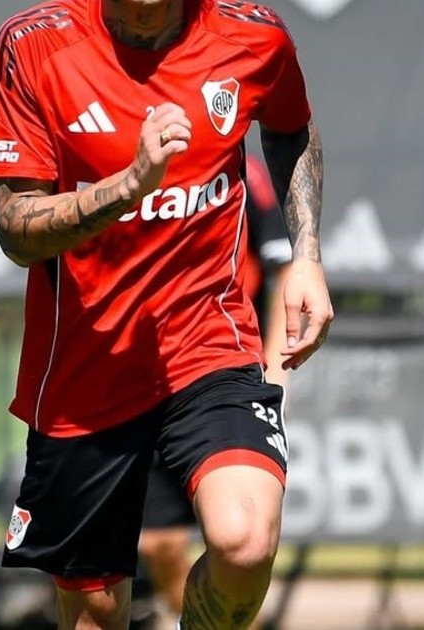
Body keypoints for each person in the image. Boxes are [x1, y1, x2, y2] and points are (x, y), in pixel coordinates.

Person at [0, 0, 330, 627]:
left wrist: (306, 253)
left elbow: (290, 128)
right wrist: (129, 185)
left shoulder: (252, 35)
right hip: (86, 369)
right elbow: (16, 230)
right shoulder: (34, 44)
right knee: (94, 608)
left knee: (245, 542)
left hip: (209, 344)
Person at [136, 152, 292, 628]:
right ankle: (180, 617)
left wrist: (276, 374)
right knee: (158, 542)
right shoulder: (118, 155)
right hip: (136, 381)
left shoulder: (242, 170)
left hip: (223, 374)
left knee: (243, 543)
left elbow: (285, 270)